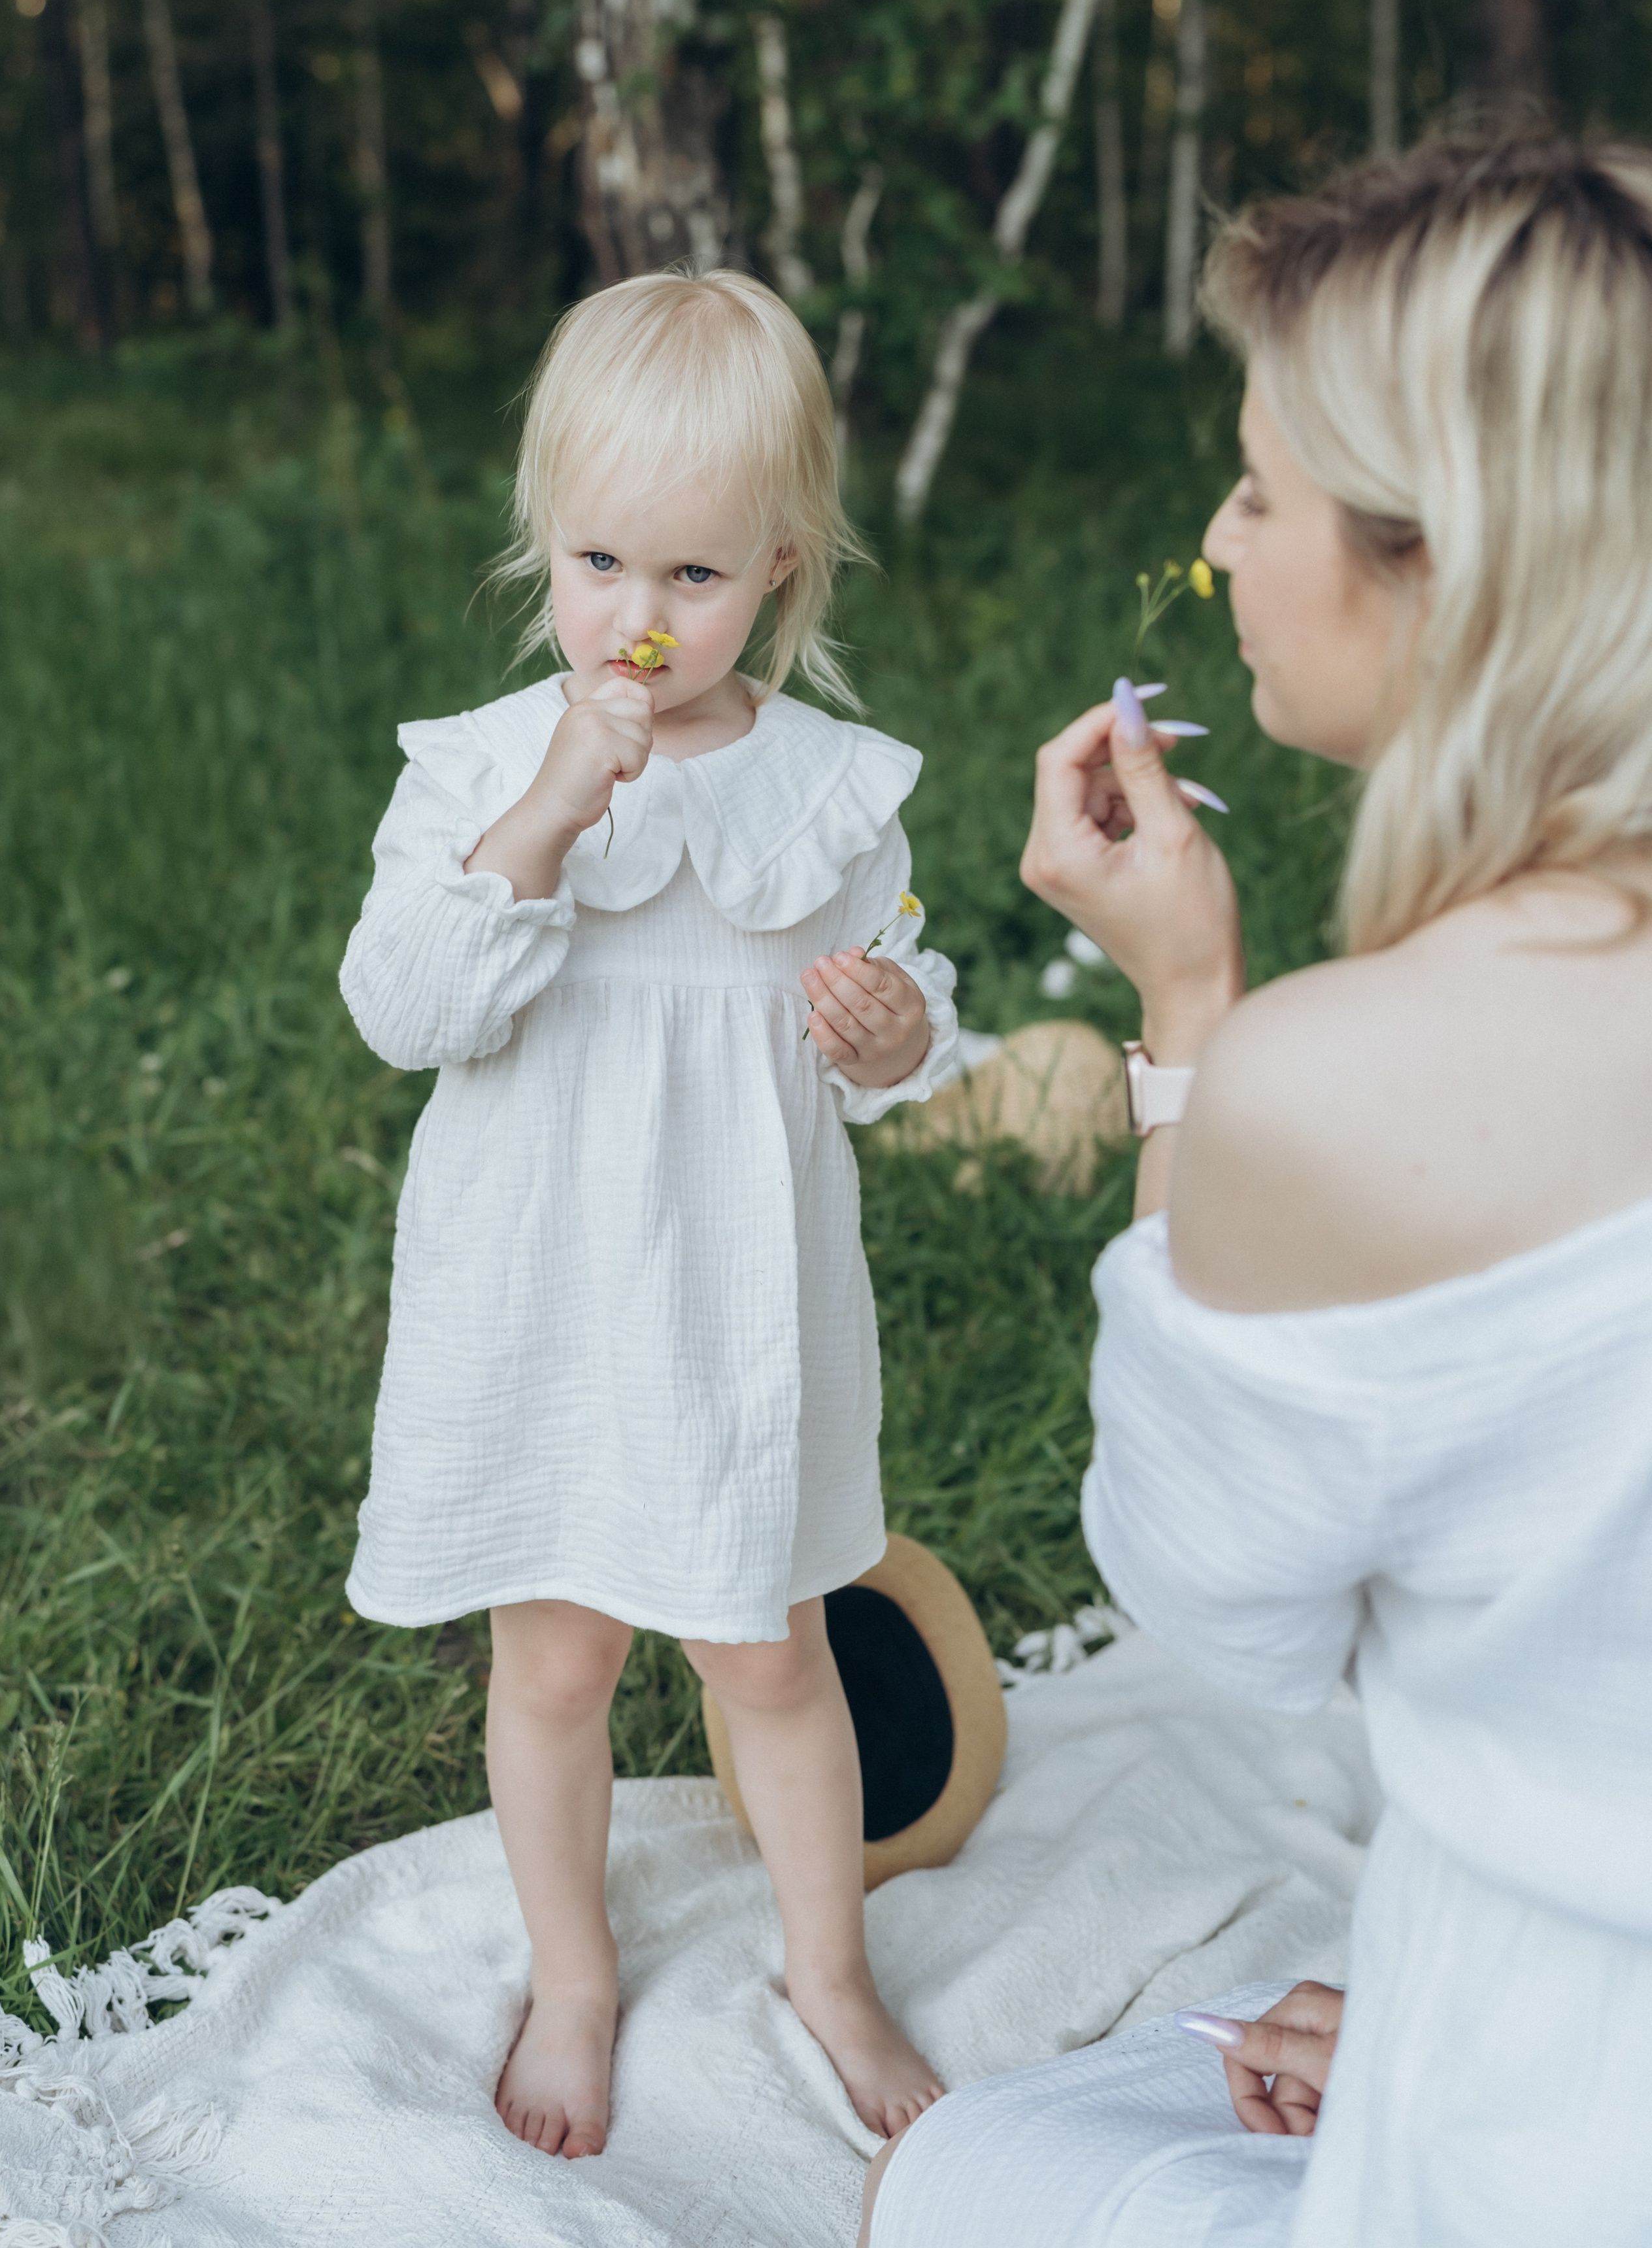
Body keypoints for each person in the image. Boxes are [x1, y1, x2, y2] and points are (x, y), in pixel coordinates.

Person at [862, 137, 1652, 2247]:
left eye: (1255, 490)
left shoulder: (1345, 1081)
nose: (1214, 548)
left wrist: (1194, 1007)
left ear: (1436, 561)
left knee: (955, 2179)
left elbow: (1215, 1605)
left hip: (1563, 2120)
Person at [340, 269, 958, 2158]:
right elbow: (403, 1009)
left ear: (779, 566)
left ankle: (827, 1966)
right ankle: (578, 1969)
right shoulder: (475, 772)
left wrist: (893, 1031)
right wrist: (537, 820)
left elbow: (892, 1023)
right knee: (555, 1658)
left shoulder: (828, 795)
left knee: (770, 1650)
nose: (640, 619)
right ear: (551, 540)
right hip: (543, 1298)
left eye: (694, 577)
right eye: (605, 562)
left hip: (731, 1313)